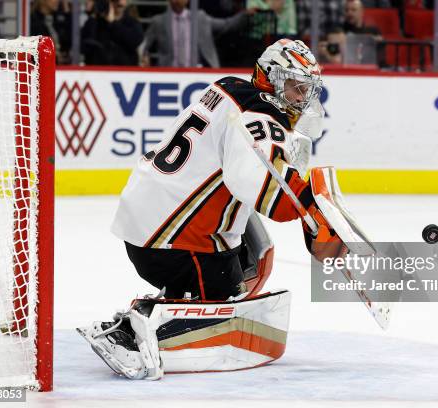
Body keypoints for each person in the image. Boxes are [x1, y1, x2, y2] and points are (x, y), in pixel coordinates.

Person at [81, 39, 347, 380]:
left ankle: (170, 303)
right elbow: (264, 188)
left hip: (147, 217)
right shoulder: (261, 115)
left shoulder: (228, 88)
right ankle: (137, 334)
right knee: (228, 300)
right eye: (296, 87)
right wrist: (309, 205)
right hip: (169, 239)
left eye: (306, 89)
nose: (302, 98)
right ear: (271, 78)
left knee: (253, 251)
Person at [142, 0, 252, 67]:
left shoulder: (200, 18)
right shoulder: (159, 21)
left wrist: (244, 14)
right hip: (169, 73)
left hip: (198, 73)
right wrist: (144, 60)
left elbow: (226, 25)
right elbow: (144, 45)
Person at [81, 0, 144, 65]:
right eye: (114, 1)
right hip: (99, 71)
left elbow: (135, 41)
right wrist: (94, 16)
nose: (118, 3)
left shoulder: (131, 22)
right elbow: (83, 46)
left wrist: (113, 23)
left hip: (124, 72)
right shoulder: (96, 22)